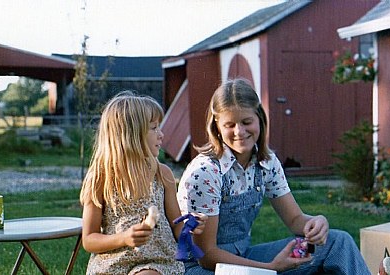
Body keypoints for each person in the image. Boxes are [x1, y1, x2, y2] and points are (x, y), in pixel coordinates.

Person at [177, 78, 371, 274]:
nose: (239, 132)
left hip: (244, 258)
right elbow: (206, 255)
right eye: (230, 125)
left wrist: (316, 223)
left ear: (259, 119)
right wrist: (270, 269)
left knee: (338, 242)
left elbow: (295, 219)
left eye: (246, 122)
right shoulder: (205, 172)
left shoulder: (267, 163)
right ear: (217, 126)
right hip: (202, 268)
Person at [80, 91, 207, 275]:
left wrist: (190, 227)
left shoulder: (163, 174)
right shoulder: (100, 178)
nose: (161, 134)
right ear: (131, 134)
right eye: (154, 128)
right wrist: (124, 238)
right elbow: (89, 239)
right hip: (113, 264)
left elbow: (176, 226)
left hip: (158, 262)